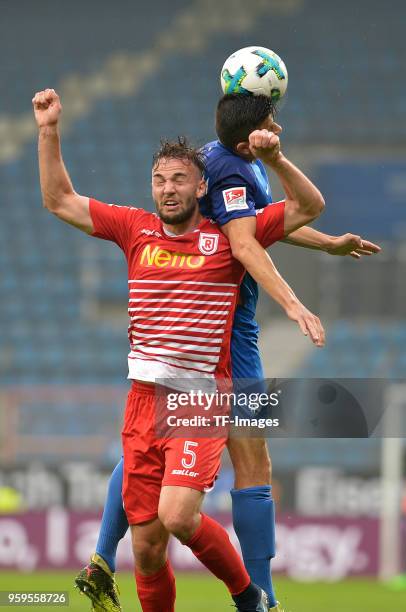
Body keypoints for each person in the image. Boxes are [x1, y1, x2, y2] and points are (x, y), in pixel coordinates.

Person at [74, 94, 380, 611]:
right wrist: (293, 303)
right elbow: (242, 242)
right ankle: (264, 598)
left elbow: (265, 224)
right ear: (249, 135)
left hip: (224, 333)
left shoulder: (227, 162)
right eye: (270, 120)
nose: (276, 126)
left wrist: (327, 244)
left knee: (163, 443)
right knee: (253, 462)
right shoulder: (231, 170)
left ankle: (105, 556)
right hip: (228, 337)